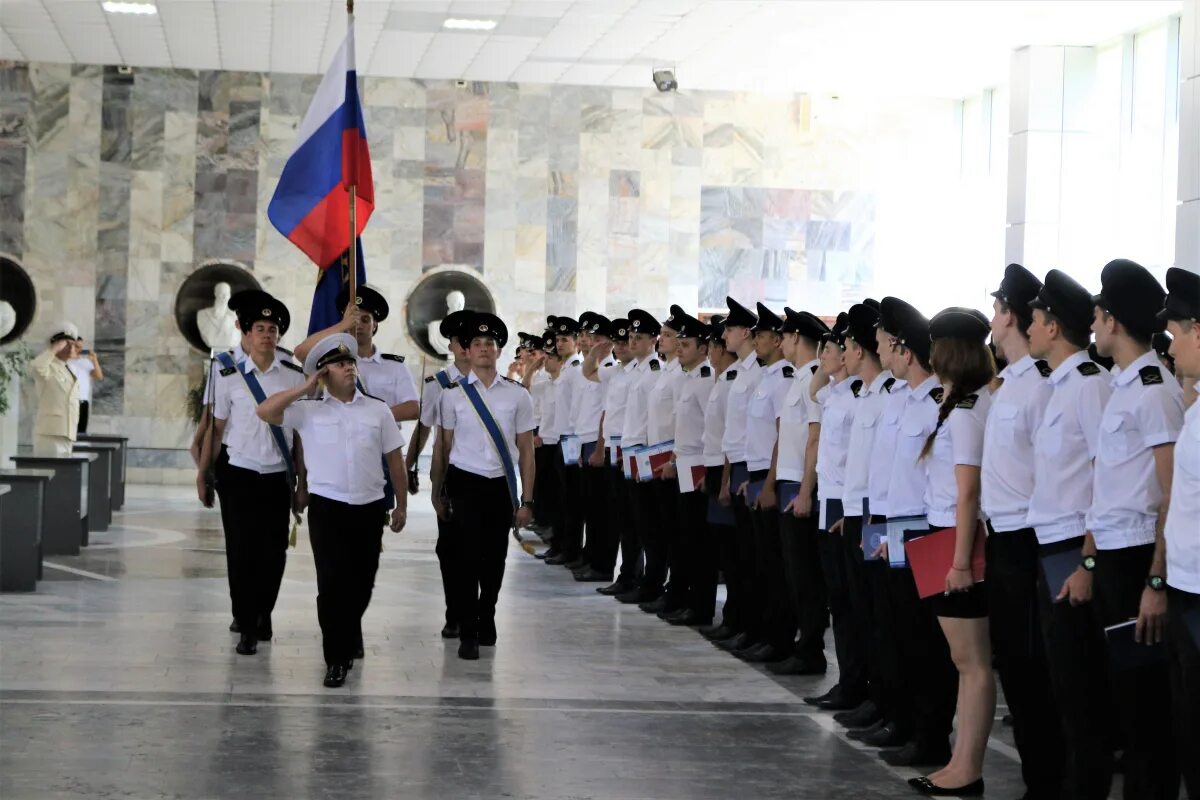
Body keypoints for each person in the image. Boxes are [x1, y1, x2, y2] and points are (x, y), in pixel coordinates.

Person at [257, 332, 407, 688]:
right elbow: (264, 410)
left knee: (362, 583)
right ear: (323, 374)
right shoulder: (308, 411)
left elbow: (395, 462)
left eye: (351, 362)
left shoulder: (378, 410)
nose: (350, 368)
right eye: (340, 364)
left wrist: (400, 504)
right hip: (328, 509)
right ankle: (335, 658)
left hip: (369, 509)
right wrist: (305, 387)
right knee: (332, 585)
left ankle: (349, 628)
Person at [1087, 259, 1182, 799]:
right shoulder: (1123, 386)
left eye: (1099, 316)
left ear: (1114, 321)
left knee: (1146, 713)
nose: (1094, 325)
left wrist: (1156, 582)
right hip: (1115, 559)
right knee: (1124, 702)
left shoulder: (1152, 389)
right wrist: (1091, 561)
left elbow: (1170, 494)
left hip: (1140, 560)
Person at [1026, 269, 1117, 799]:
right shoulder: (1059, 386)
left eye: (1035, 320)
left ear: (1054, 327)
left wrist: (1087, 562)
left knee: (1083, 691)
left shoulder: (1089, 387)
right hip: (1050, 545)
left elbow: (1106, 478)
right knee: (1060, 683)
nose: (1028, 328)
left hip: (1073, 549)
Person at [980, 264, 1066, 800]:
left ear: (1008, 315)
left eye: (997, 309)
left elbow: (1048, 469)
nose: (994, 318)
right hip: (1002, 538)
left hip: (1027, 541)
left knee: (1033, 671)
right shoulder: (1008, 382)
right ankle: (1039, 776)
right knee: (1012, 662)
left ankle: (1047, 781)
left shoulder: (1038, 386)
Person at [906, 308, 995, 797]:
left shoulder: (967, 411)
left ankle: (968, 769)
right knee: (964, 662)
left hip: (958, 543)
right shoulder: (965, 403)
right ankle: (961, 762)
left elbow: (968, 493)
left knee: (972, 662)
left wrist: (960, 563)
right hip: (945, 537)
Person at [197, 293, 305, 656]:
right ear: (245, 332)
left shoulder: (292, 372)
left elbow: (300, 433)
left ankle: (264, 612)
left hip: (277, 476)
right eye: (259, 328)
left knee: (273, 552)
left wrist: (302, 482)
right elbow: (216, 427)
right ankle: (246, 623)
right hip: (238, 473)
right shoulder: (225, 372)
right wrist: (203, 473)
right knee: (241, 552)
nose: (266, 335)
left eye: (272, 329)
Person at [875, 299, 956, 769]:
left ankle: (931, 735)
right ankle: (904, 720)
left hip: (923, 530)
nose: (880, 351)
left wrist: (913, 535)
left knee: (927, 641)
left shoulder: (934, 403)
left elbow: (933, 481)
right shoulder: (902, 400)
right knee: (901, 632)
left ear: (906, 351)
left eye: (887, 344)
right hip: (898, 528)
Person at [429, 312, 536, 660]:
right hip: (464, 483)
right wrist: (436, 491)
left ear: (499, 349)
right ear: (466, 350)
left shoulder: (517, 396)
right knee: (465, 559)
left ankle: (487, 612)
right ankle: (469, 629)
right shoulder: (452, 395)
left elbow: (525, 452)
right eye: (477, 343)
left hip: (499, 486)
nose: (484, 348)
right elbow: (443, 448)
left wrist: (526, 500)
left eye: (490, 343)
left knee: (495, 559)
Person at [803, 313, 863, 708]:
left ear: (848, 356)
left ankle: (857, 684)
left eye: (829, 349)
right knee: (838, 598)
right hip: (830, 498)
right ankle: (848, 681)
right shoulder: (837, 392)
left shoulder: (858, 396)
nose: (821, 355)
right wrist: (829, 368)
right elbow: (812, 390)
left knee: (850, 600)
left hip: (846, 500)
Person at [768, 308, 830, 676]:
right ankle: (800, 642)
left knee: (805, 576)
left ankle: (811, 648)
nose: (782, 342)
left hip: (801, 487)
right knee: (793, 572)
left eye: (786, 336)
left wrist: (806, 492)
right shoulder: (798, 379)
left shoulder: (814, 382)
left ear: (795, 339)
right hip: (789, 482)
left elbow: (814, 439)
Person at [1158, 266, 1200, 798]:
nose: (1169, 349)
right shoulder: (1194, 407)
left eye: (1174, 335)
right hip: (1185, 586)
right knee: (1186, 727)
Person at [406, 309, 472, 638]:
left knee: (480, 551)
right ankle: (454, 613)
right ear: (452, 345)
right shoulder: (439, 385)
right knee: (450, 549)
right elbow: (424, 427)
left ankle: (475, 614)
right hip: (451, 476)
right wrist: (409, 465)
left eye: (469, 341)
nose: (463, 347)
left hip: (487, 478)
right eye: (459, 341)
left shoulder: (498, 384)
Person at [738, 302, 794, 662]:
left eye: (761, 335)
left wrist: (769, 484)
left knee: (776, 566)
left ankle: (779, 639)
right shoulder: (767, 377)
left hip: (770, 476)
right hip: (758, 474)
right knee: (759, 563)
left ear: (777, 340)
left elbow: (780, 436)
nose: (755, 340)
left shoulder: (784, 378)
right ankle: (762, 631)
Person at [710, 297, 763, 652]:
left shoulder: (760, 372)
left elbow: (754, 433)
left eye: (729, 329)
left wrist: (733, 474)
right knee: (735, 554)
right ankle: (737, 620)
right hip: (734, 466)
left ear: (745, 332)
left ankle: (750, 624)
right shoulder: (740, 372)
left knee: (751, 556)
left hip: (751, 469)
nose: (725, 334)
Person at [657, 310, 715, 625]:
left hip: (696, 467)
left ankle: (700, 605)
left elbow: (709, 430)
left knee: (697, 540)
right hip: (684, 465)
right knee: (684, 536)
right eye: (680, 343)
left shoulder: (705, 380)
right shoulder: (689, 377)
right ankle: (686, 599)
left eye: (687, 344)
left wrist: (704, 469)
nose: (680, 348)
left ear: (704, 348)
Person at [638, 306, 687, 614]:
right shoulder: (664, 371)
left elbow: (682, 423)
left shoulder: (680, 373)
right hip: (654, 457)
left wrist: (672, 458)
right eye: (663, 335)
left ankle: (671, 589)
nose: (662, 340)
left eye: (668, 336)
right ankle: (657, 584)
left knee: (672, 532)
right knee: (656, 528)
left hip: (672, 461)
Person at [613, 309, 663, 604]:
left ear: (652, 341)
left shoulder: (654, 371)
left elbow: (650, 420)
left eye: (638, 337)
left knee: (648, 526)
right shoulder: (635, 371)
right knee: (630, 521)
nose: (632, 342)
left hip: (644, 456)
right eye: (630, 337)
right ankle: (631, 577)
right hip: (630, 454)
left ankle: (650, 583)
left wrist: (641, 454)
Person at [696, 315, 740, 637]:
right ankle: (728, 617)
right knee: (716, 544)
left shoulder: (731, 381)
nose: (710, 353)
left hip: (725, 470)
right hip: (713, 469)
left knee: (731, 551)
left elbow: (730, 436)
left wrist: (724, 479)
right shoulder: (720, 380)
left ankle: (734, 618)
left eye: (713, 346)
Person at [544, 316, 585, 566]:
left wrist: (575, 443)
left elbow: (577, 410)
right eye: (558, 339)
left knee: (571, 500)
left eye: (565, 339)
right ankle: (561, 545)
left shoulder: (577, 368)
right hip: (562, 438)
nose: (560, 344)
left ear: (576, 342)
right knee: (561, 497)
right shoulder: (568, 368)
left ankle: (570, 550)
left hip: (571, 440)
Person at [30, 322, 81, 457]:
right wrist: (52, 350)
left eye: (73, 345)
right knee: (46, 474)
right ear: (57, 345)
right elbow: (36, 368)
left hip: (67, 433)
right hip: (50, 433)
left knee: (64, 477)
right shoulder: (48, 365)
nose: (71, 348)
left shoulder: (69, 369)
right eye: (67, 344)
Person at [66, 339, 102, 434]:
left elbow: (99, 376)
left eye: (81, 347)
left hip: (82, 401)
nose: (79, 349)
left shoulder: (85, 362)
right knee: (67, 431)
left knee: (81, 432)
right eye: (77, 346)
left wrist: (94, 360)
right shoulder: (64, 362)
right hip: (67, 401)